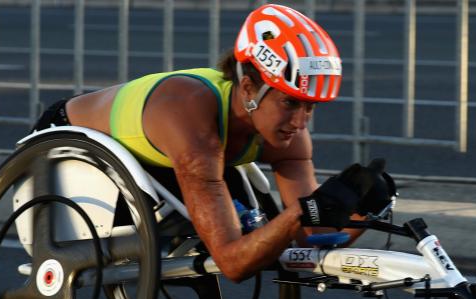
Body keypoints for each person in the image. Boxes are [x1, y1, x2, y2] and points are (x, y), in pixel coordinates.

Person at [31, 4, 393, 282]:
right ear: (249, 87)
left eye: (310, 107)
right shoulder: (193, 122)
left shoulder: (289, 136)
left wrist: (362, 209)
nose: (300, 123)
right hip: (64, 144)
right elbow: (233, 262)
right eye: (289, 102)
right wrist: (298, 213)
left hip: (157, 160)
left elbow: (312, 238)